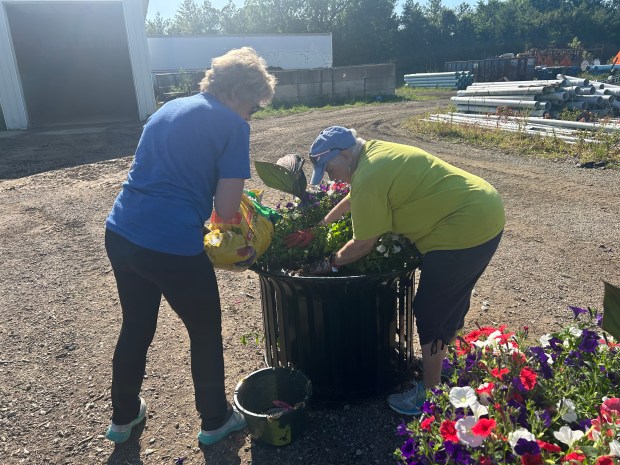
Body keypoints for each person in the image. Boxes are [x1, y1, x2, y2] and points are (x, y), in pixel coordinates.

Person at [104, 47, 276, 445]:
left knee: (136, 325)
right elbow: (227, 209)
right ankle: (215, 421)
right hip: (170, 243)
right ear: (237, 92)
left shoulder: (167, 109)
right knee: (204, 330)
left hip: (121, 231)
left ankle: (123, 418)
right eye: (253, 104)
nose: (252, 113)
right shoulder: (233, 126)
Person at [287, 126, 504, 416]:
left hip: (464, 229)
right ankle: (440, 363)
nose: (330, 177)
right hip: (482, 208)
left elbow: (363, 243)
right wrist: (321, 227)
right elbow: (354, 198)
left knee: (432, 309)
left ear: (345, 154)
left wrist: (328, 264)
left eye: (329, 168)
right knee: (450, 301)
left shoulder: (369, 174)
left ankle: (430, 396)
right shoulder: (373, 154)